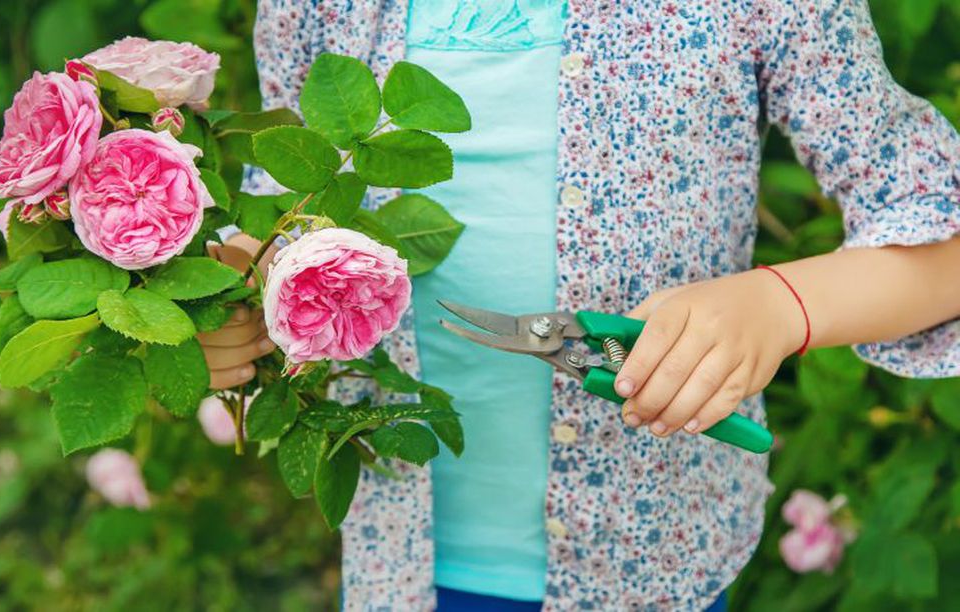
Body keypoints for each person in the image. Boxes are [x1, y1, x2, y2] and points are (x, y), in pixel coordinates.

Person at [199, 1, 960, 610]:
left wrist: (782, 305)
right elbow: (287, 209)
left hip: (649, 560)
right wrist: (224, 301)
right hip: (400, 554)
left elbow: (938, 227)